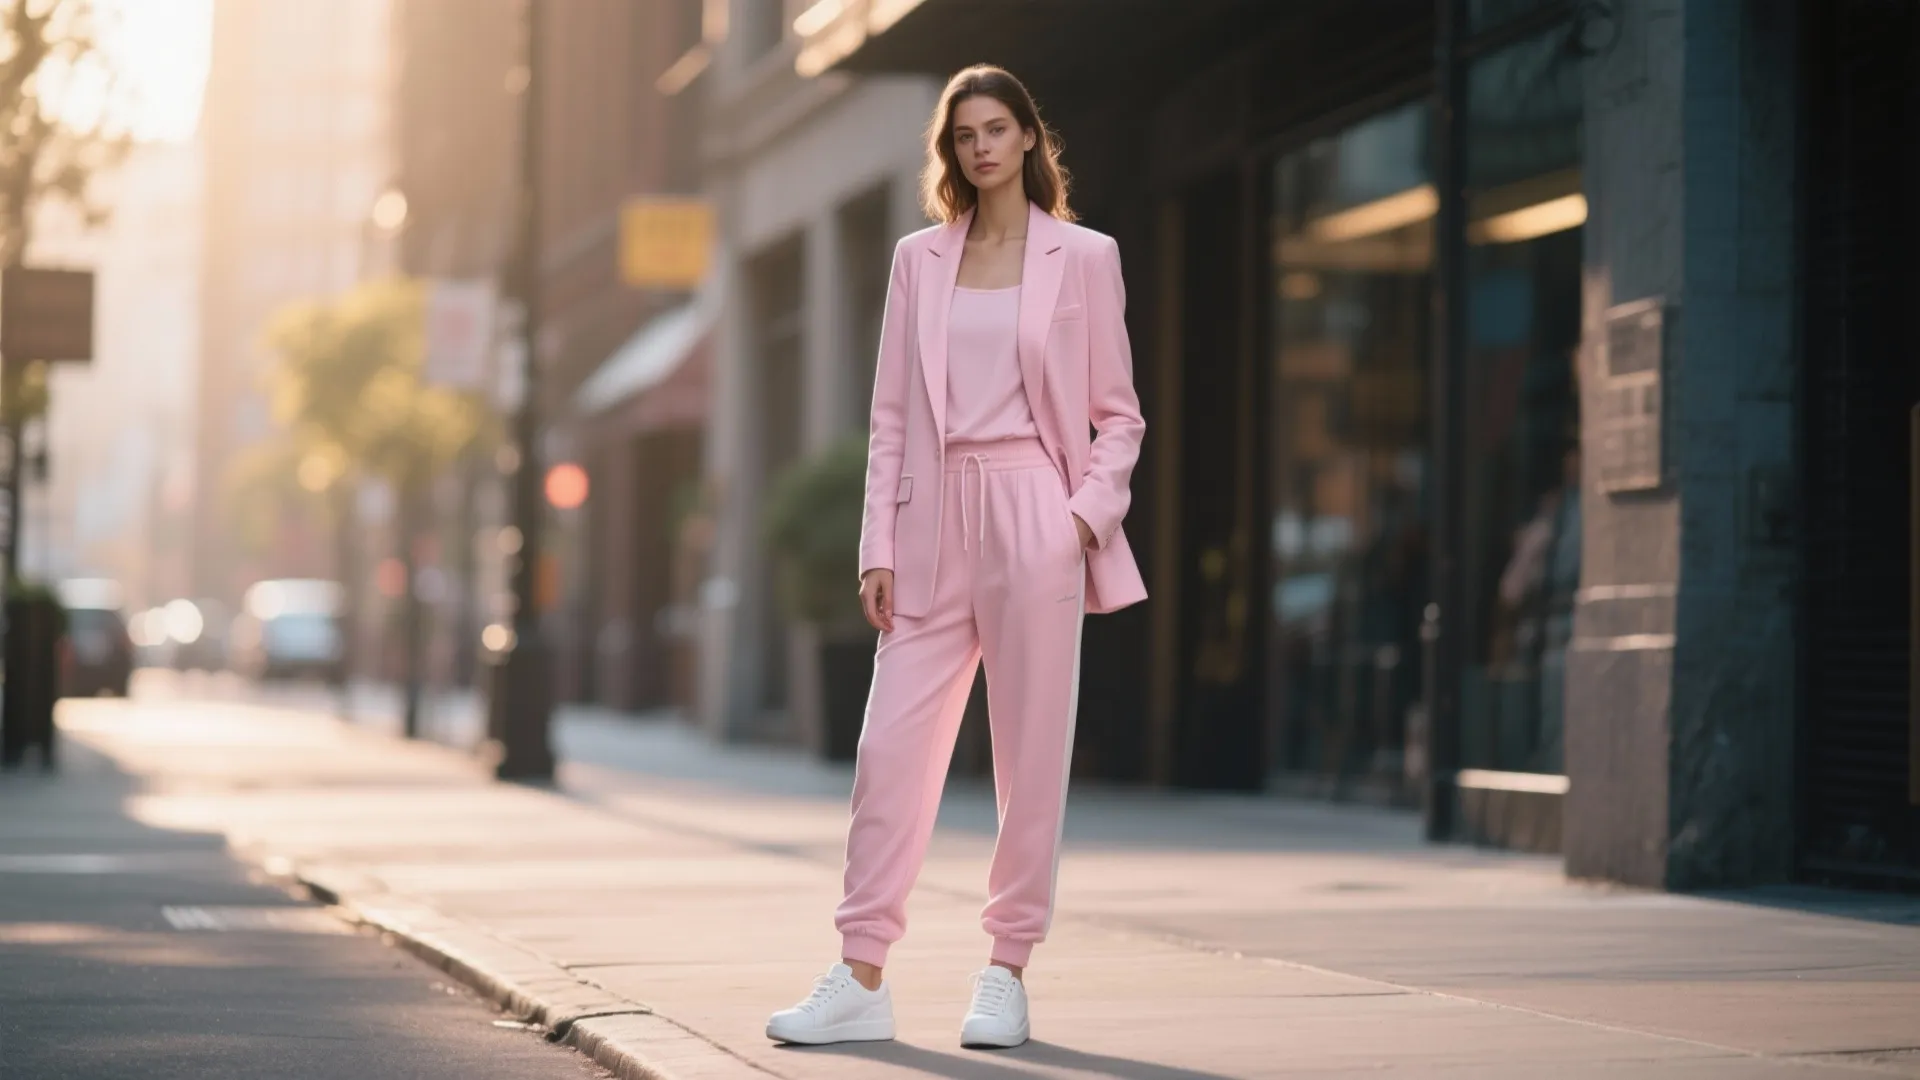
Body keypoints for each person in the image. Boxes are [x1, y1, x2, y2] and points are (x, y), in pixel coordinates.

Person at [766, 64, 1147, 1051]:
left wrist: (1076, 522)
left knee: (1029, 760)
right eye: (964, 135)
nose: (981, 147)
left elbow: (1119, 418)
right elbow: (891, 416)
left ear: (1028, 137)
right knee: (888, 752)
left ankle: (1007, 972)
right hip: (932, 524)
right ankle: (859, 975)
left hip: (1035, 514)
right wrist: (877, 547)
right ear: (953, 152)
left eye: (997, 129)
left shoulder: (1086, 257)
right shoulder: (916, 261)